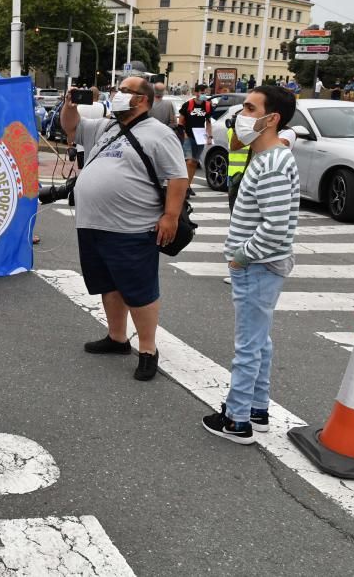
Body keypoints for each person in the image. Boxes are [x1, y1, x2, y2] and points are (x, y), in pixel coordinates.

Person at [57, 77, 188, 381]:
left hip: (131, 227)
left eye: (124, 91)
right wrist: (69, 105)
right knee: (108, 284)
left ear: (141, 99)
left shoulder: (159, 133)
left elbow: (178, 177)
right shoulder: (106, 127)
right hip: (93, 224)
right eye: (117, 90)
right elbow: (71, 127)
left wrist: (170, 215)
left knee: (138, 289)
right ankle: (117, 338)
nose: (117, 94)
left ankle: (147, 349)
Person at [202, 86, 300, 444]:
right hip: (262, 265)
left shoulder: (272, 162)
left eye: (249, 107)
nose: (240, 115)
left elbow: (274, 226)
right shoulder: (270, 156)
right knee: (260, 341)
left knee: (248, 345)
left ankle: (237, 419)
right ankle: (257, 409)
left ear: (271, 119)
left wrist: (241, 256)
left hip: (257, 266)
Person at [178, 84, 213, 195]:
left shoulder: (207, 106)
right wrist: (184, 134)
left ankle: (188, 185)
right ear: (196, 93)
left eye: (205, 93)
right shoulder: (188, 105)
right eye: (202, 93)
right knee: (188, 161)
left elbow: (208, 123)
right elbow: (181, 122)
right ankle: (183, 187)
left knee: (194, 162)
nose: (204, 95)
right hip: (188, 136)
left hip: (200, 136)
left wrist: (209, 136)